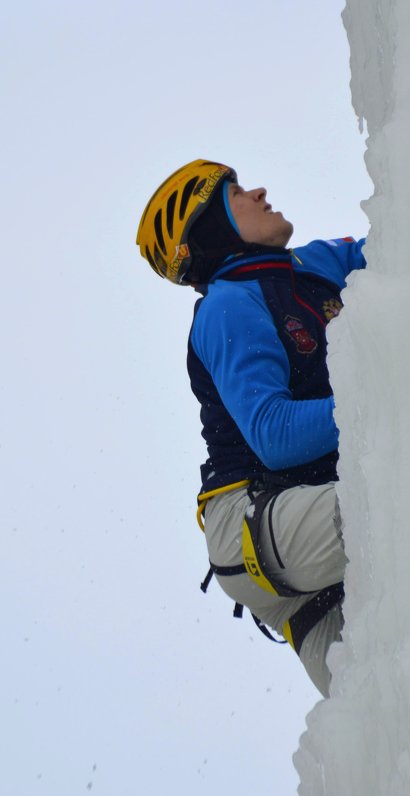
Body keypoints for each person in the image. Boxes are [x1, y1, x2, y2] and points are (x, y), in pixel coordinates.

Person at [136, 159, 366, 696]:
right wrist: (387, 395)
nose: (259, 190)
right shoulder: (227, 305)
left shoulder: (312, 267)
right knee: (407, 494)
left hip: (306, 554)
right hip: (251, 525)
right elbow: (275, 435)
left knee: (393, 711)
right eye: (235, 193)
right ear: (212, 229)